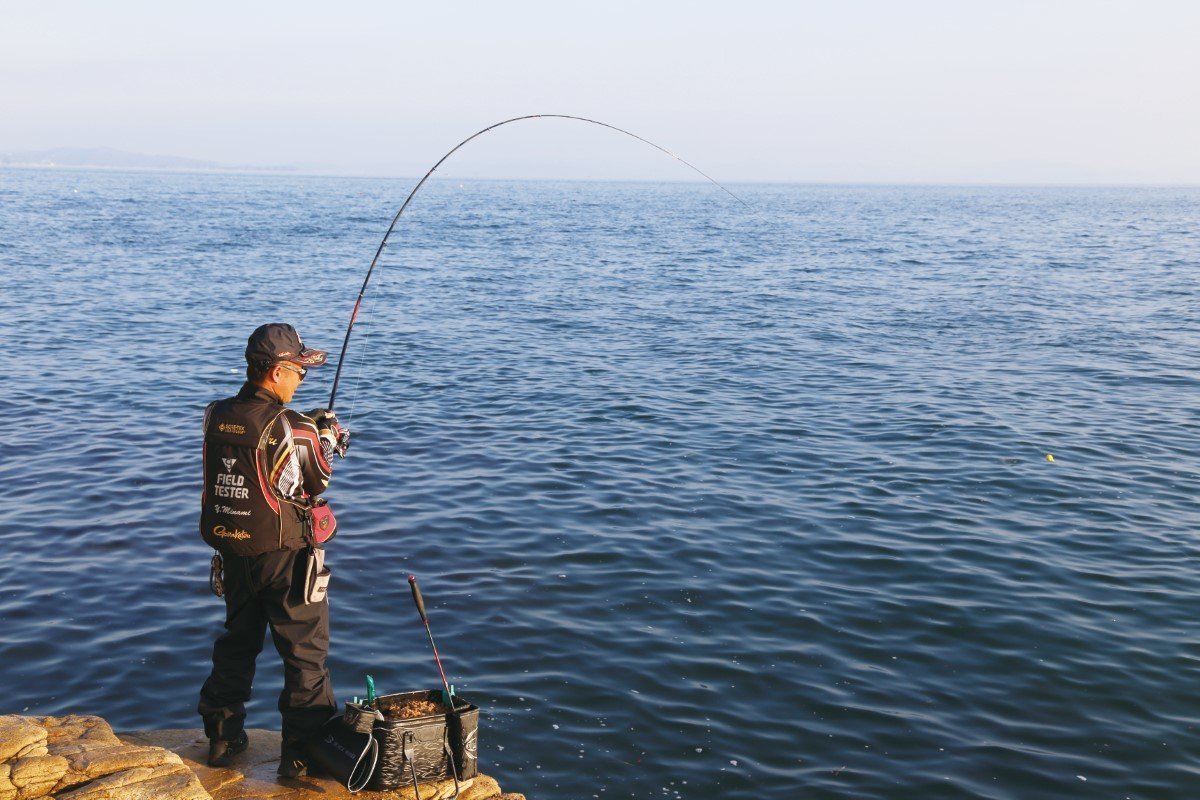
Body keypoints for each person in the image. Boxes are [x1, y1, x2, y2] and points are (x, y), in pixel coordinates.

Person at [197, 323, 350, 777]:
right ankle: (300, 755)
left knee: (237, 644)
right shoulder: (293, 425)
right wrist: (328, 438)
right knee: (305, 654)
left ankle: (223, 739)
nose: (302, 378)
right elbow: (317, 478)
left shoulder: (214, 414)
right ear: (278, 371)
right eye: (298, 371)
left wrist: (310, 432)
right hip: (288, 558)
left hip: (234, 554)